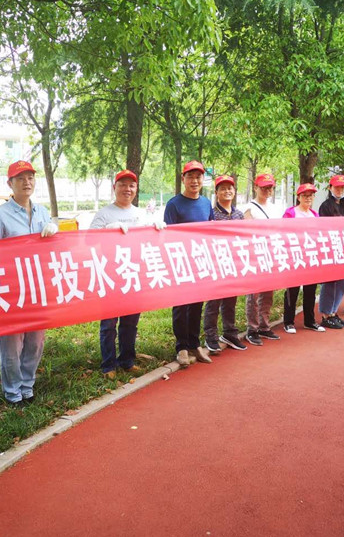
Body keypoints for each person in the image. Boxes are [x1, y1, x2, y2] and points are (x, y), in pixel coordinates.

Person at [0, 160, 59, 405]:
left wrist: (54, 229)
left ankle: (28, 386)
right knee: (11, 344)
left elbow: (52, 248)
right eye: (20, 178)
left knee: (36, 341)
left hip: (38, 287)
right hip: (11, 289)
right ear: (10, 183)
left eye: (30, 178)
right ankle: (13, 391)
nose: (26, 182)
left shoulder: (42, 212)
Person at [89, 169, 166, 379]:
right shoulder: (104, 213)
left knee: (130, 322)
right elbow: (88, 241)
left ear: (136, 189)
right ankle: (108, 365)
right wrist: (108, 229)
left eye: (131, 185)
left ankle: (127, 360)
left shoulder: (141, 214)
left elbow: (152, 243)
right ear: (114, 188)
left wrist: (157, 230)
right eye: (122, 185)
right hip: (110, 275)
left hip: (133, 273)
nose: (127, 189)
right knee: (108, 324)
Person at [164, 160, 214, 367]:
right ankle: (181, 347)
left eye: (198, 177)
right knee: (181, 306)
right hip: (181, 262)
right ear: (183, 179)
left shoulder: (206, 203)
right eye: (190, 177)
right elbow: (168, 235)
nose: (194, 181)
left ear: (203, 179)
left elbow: (210, 230)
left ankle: (194, 344)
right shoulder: (173, 204)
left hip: (200, 261)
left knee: (196, 305)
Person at [204, 175, 246, 353]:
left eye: (230, 188)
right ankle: (210, 336)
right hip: (216, 263)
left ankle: (229, 333)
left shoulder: (239, 215)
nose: (227, 191)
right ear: (216, 192)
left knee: (231, 300)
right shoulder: (211, 214)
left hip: (234, 263)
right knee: (214, 301)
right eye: (223, 188)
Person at [242, 173, 284, 345]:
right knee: (254, 294)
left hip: (271, 254)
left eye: (270, 188)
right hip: (255, 255)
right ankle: (252, 329)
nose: (267, 191)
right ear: (255, 187)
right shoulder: (248, 208)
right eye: (263, 187)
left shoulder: (275, 208)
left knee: (268, 293)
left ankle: (264, 326)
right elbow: (247, 231)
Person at [282, 183, 325, 333]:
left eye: (310, 195)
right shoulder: (291, 213)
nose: (308, 198)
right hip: (295, 256)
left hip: (310, 257)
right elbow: (283, 232)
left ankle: (309, 321)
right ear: (298, 197)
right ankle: (288, 321)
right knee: (292, 290)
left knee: (310, 290)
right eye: (304, 196)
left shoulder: (315, 214)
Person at [317, 174, 344, 330]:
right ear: (330, 188)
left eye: (342, 187)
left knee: (341, 282)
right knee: (330, 282)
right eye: (337, 187)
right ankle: (326, 314)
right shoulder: (325, 206)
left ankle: (333, 311)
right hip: (331, 249)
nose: (339, 190)